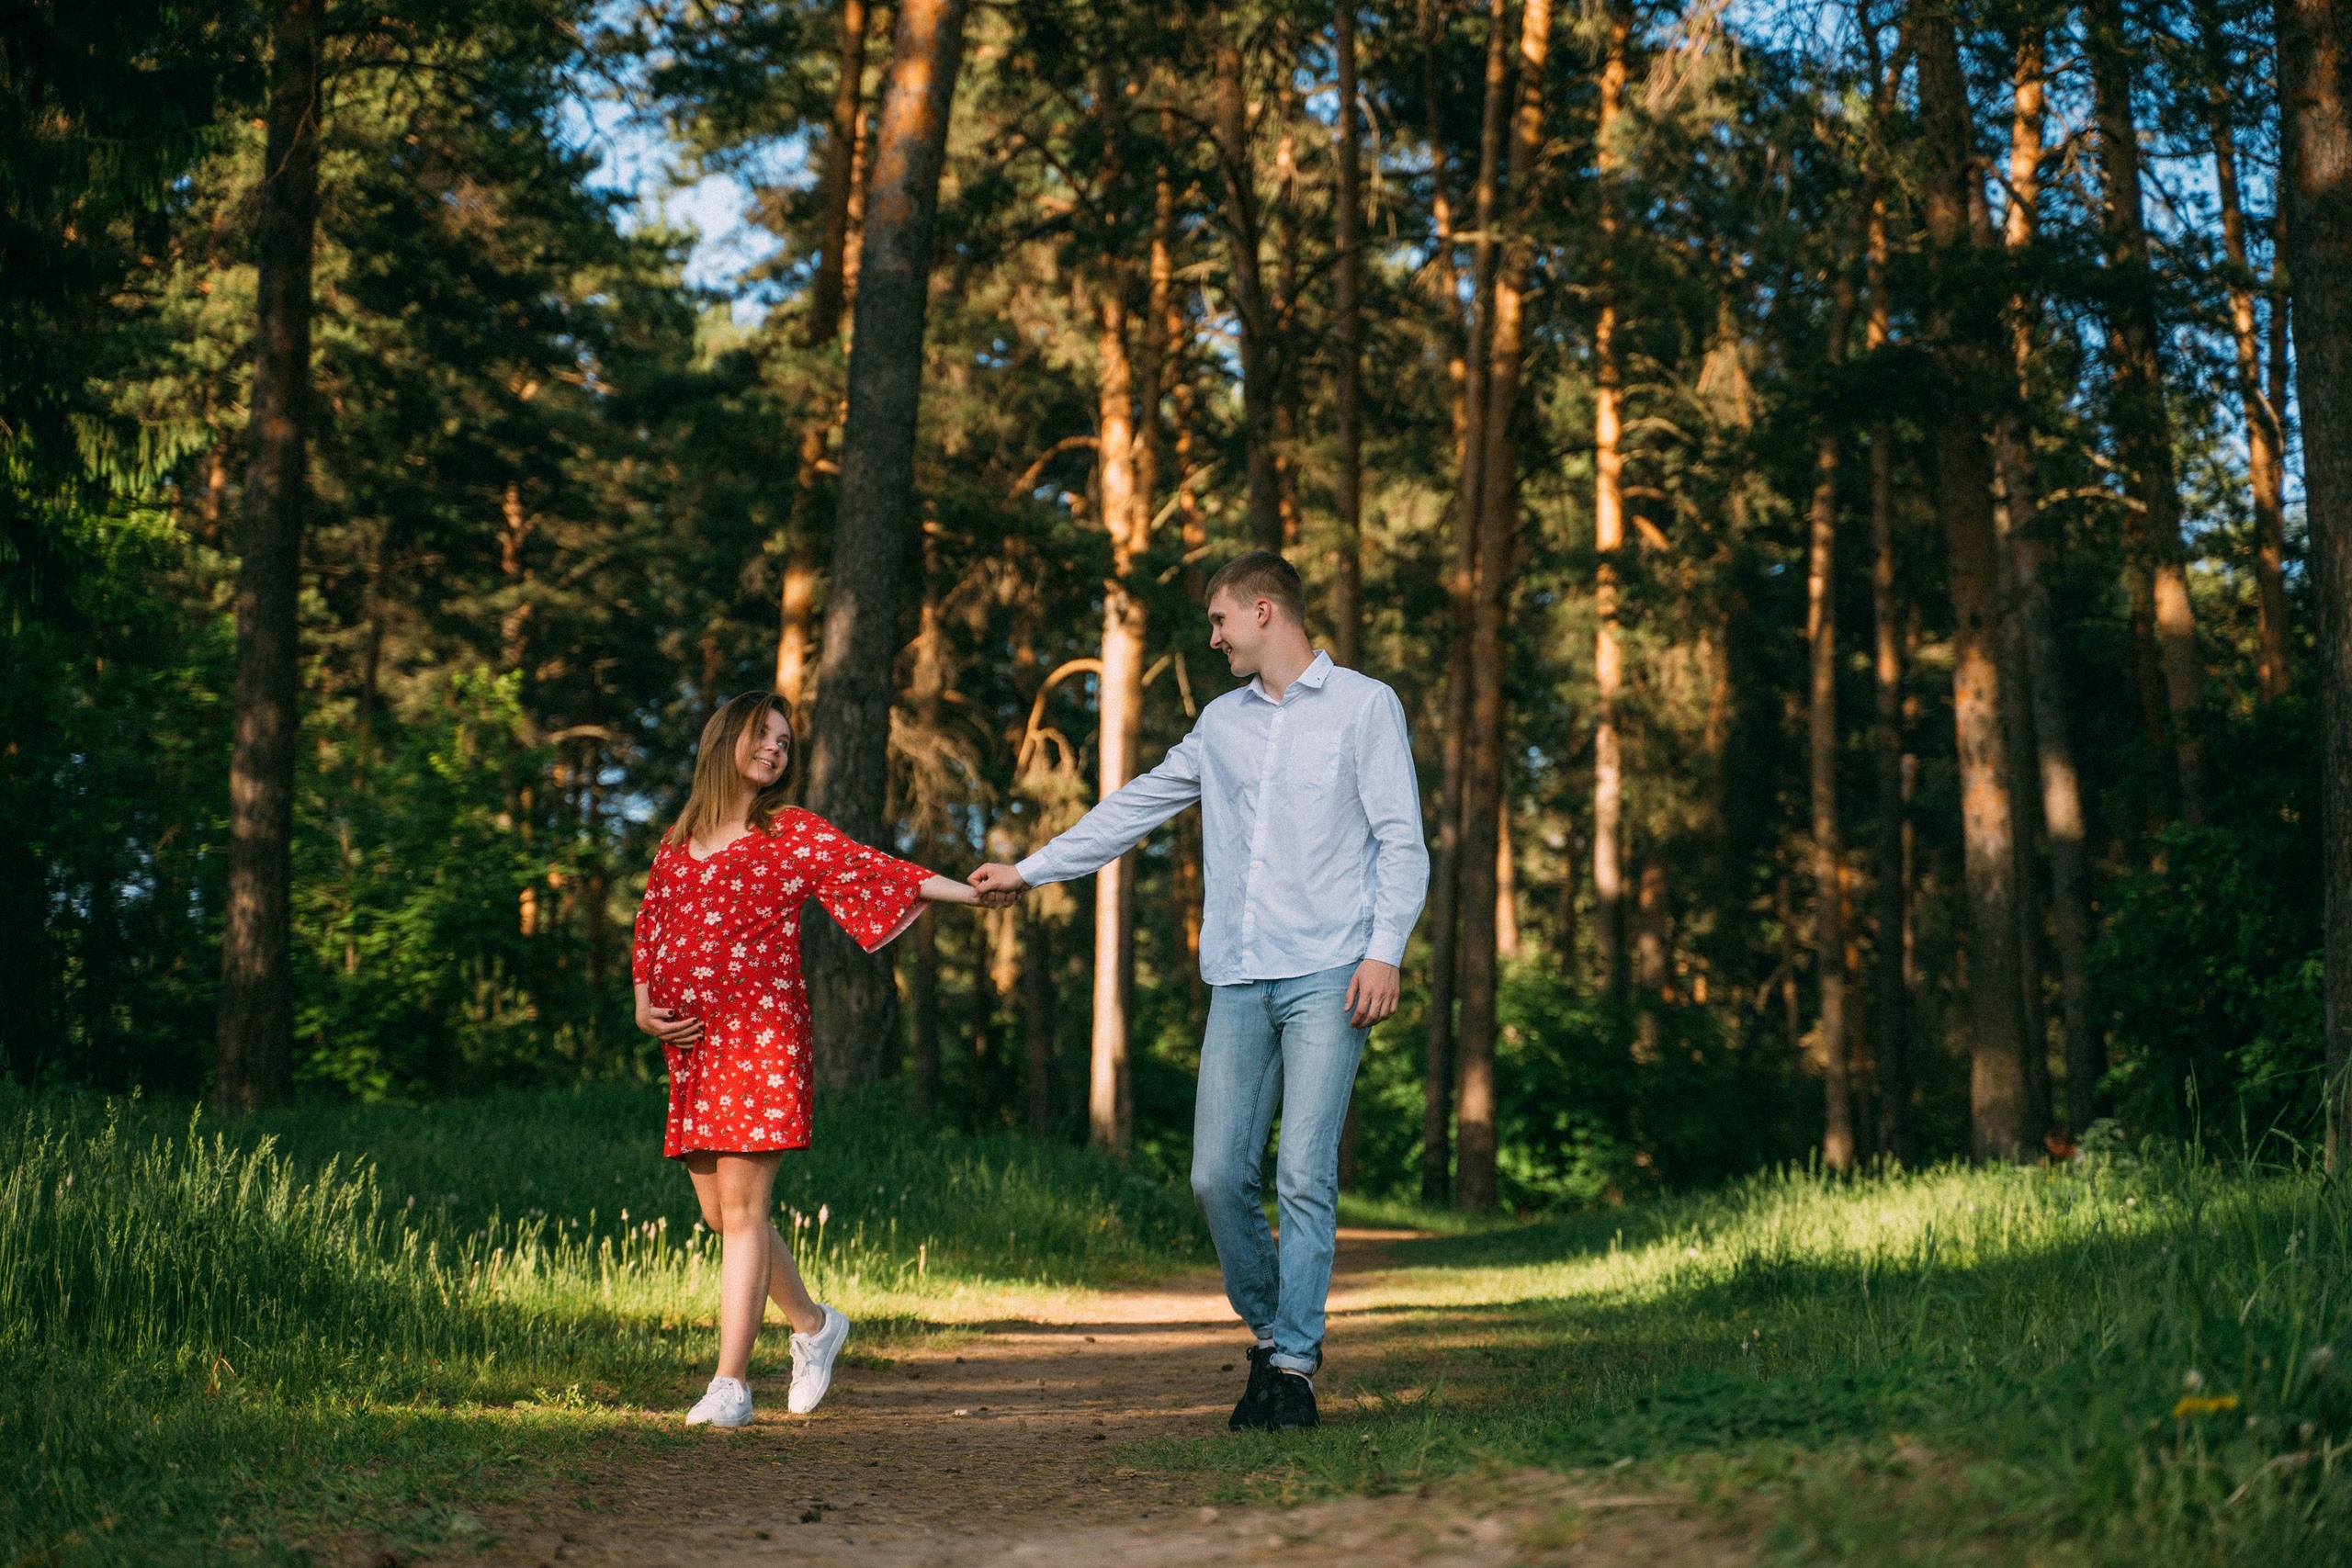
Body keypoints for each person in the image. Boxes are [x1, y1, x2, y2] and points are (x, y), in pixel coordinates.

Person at [970, 550, 1428, 1432]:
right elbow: (1137, 805)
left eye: (1220, 620)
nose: (1213, 638)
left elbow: (1401, 840)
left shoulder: (1365, 705)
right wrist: (1030, 870)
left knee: (1304, 1171)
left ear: (1264, 611)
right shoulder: (1220, 723)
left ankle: (1292, 1370)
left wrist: (1386, 952)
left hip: (1332, 971)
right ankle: (1275, 1333)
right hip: (1241, 975)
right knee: (1216, 1175)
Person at [633, 691, 1006, 1428]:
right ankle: (814, 1324)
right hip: (694, 1048)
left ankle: (731, 1383)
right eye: (763, 734)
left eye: (784, 741)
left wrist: (971, 893)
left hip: (761, 1040)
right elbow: (651, 920)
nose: (776, 748)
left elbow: (874, 869)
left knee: (744, 1211)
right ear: (725, 738)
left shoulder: (789, 832)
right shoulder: (678, 839)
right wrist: (644, 1001)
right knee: (720, 1213)